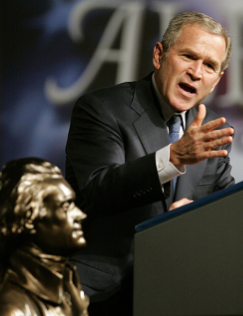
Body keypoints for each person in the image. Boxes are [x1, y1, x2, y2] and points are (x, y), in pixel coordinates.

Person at [65, 11, 235, 316]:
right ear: (159, 55)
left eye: (209, 66)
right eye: (188, 56)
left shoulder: (209, 130)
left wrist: (197, 223)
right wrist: (174, 158)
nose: (196, 72)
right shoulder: (103, 109)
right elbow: (96, 191)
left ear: (217, 80)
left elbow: (229, 213)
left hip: (175, 292)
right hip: (100, 294)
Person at [0, 157, 89, 316]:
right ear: (29, 218)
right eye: (66, 206)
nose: (81, 215)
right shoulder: (14, 310)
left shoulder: (68, 286)